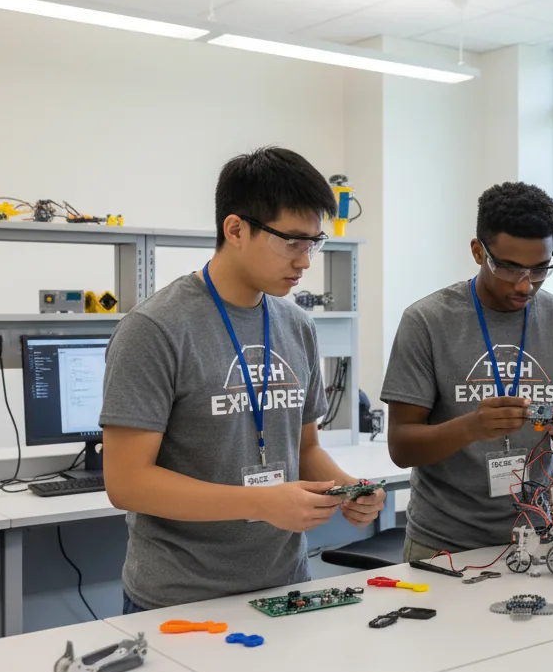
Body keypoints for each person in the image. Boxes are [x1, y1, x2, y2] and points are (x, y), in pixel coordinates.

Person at [101, 147, 386, 613]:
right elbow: (127, 483)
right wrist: (260, 503)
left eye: (314, 243)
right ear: (235, 229)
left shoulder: (297, 325)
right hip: (180, 599)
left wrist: (348, 489)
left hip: (283, 586)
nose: (306, 261)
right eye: (292, 242)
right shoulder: (155, 329)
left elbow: (305, 448)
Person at [382, 182, 553, 561]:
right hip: (441, 544)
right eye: (509, 267)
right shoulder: (427, 321)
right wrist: (470, 426)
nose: (524, 283)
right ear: (477, 251)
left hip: (536, 537)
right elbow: (401, 448)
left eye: (540, 268)